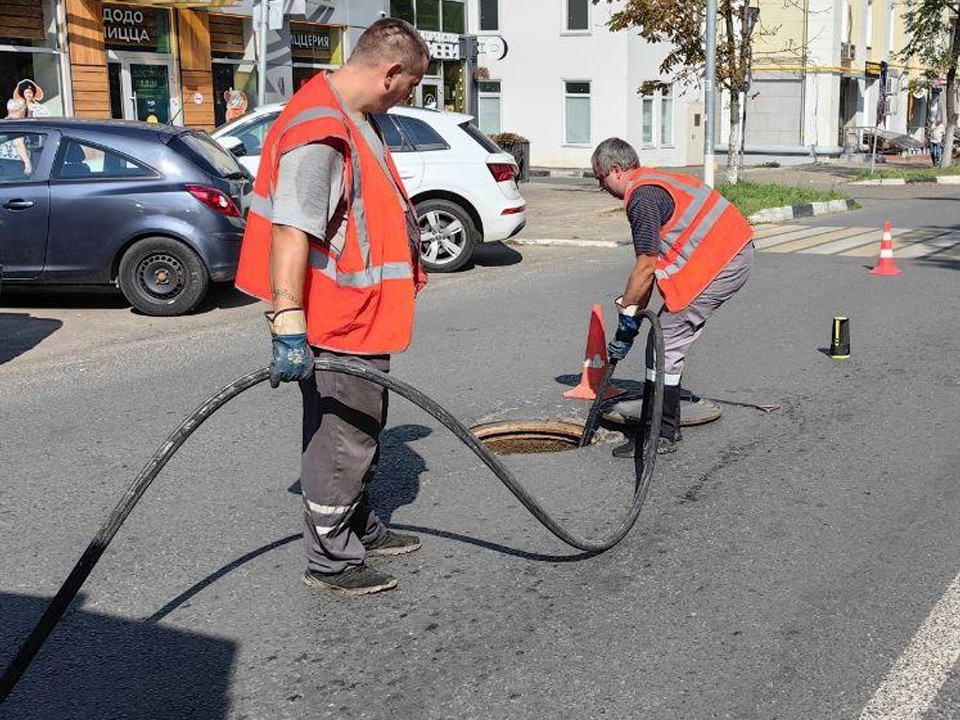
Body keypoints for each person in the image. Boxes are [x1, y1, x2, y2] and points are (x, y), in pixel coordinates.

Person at [235, 19, 429, 596]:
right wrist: (289, 321)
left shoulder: (351, 116)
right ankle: (332, 557)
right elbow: (293, 229)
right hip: (336, 320)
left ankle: (359, 526)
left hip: (362, 316)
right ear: (389, 72)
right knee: (341, 438)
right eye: (409, 87)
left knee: (362, 428)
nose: (407, 98)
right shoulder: (319, 128)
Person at [592, 137, 754, 457]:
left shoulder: (642, 197)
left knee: (664, 341)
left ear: (616, 170)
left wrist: (627, 317)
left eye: (600, 179)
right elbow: (649, 271)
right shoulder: (654, 181)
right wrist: (634, 315)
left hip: (719, 262)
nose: (602, 187)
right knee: (663, 337)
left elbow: (645, 266)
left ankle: (661, 434)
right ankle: (661, 427)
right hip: (730, 253)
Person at [0, 99, 32, 178]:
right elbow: (18, 143)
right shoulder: (16, 124)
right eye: (25, 109)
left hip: (3, 162)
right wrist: (27, 163)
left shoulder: (4, 123)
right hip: (15, 163)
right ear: (21, 110)